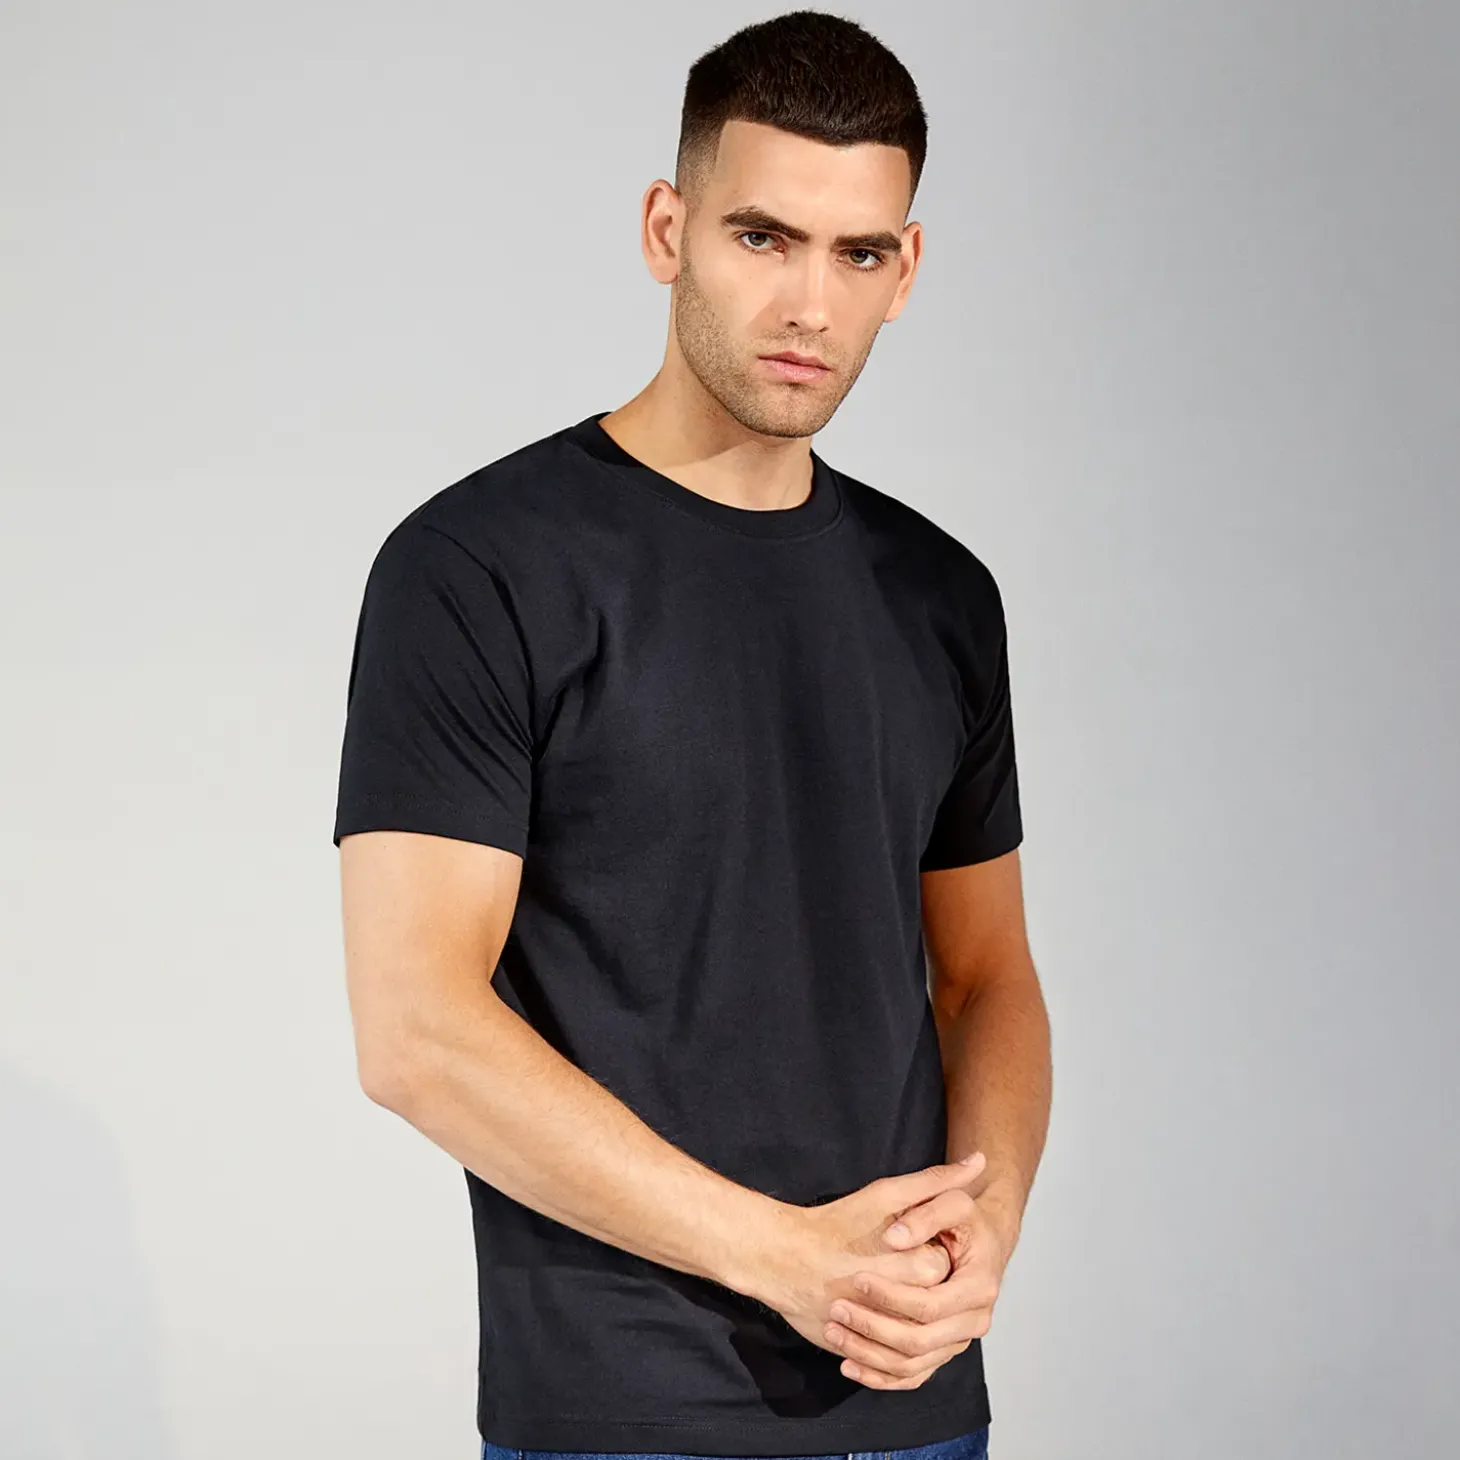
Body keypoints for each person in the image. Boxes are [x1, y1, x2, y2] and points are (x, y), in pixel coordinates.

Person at [332, 9, 1052, 1459]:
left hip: (910, 1403)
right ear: (669, 230)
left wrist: (986, 1223)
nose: (809, 306)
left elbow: (986, 978)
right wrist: (785, 1257)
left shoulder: (940, 596)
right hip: (621, 1410)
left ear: (908, 269)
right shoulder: (478, 569)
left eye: (858, 254)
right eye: (762, 237)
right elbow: (416, 1031)